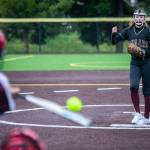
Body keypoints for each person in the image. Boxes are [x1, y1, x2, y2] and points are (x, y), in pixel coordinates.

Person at [111, 9, 150, 125]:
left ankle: (147, 116)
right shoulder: (129, 30)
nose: (139, 19)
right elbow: (115, 41)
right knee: (133, 86)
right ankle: (138, 114)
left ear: (144, 19)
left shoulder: (148, 31)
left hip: (147, 62)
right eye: (137, 17)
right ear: (133, 18)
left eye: (141, 17)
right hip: (135, 63)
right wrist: (113, 33)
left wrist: (143, 52)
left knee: (147, 91)